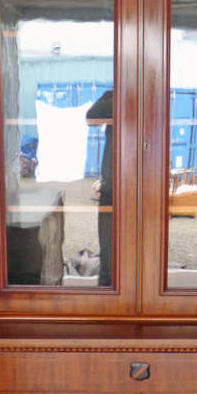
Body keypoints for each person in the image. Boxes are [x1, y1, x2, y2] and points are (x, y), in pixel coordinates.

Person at [86, 90, 113, 286]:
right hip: (113, 186)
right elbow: (92, 117)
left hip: (142, 187)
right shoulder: (114, 97)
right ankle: (107, 285)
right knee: (108, 242)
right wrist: (115, 97)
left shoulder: (150, 94)